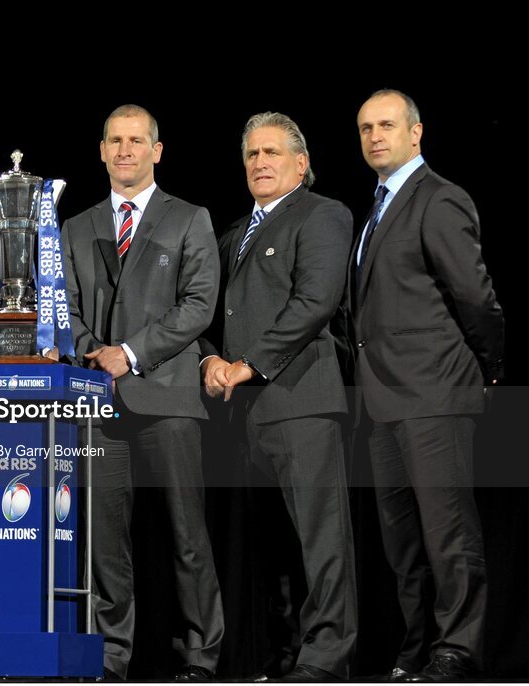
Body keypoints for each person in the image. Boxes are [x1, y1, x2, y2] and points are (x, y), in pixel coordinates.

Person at [62, 104, 223, 681]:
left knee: (187, 537)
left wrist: (127, 354)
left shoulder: (190, 218)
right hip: (98, 404)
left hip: (169, 400)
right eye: (115, 140)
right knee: (106, 544)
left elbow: (199, 304)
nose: (125, 150)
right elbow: (65, 310)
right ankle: (111, 660)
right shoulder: (74, 227)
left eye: (137, 140)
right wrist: (91, 352)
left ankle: (200, 656)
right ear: (101, 151)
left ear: (157, 150)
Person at [351, 89, 504, 682]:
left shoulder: (439, 198)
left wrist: (487, 366)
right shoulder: (378, 207)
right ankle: (416, 653)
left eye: (386, 125)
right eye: (365, 127)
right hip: (382, 401)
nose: (374, 136)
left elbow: (477, 298)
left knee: (448, 533)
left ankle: (458, 651)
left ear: (416, 133)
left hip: (435, 394)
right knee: (404, 547)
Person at [201, 112, 357, 681]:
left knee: (322, 542)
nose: (260, 163)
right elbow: (208, 311)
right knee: (270, 548)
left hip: (302, 404)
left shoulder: (323, 215)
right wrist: (210, 359)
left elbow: (314, 300)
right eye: (251, 155)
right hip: (243, 416)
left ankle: (325, 660)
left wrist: (248, 365)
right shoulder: (232, 234)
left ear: (301, 163)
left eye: (272, 153)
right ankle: (282, 656)